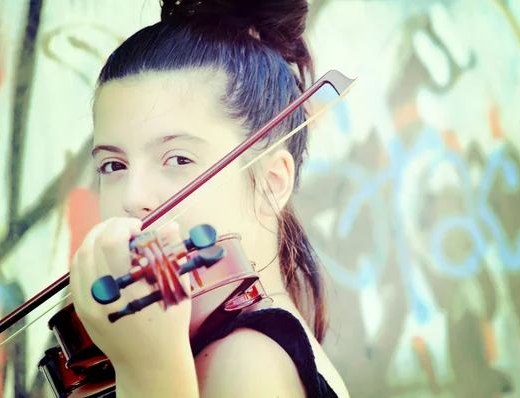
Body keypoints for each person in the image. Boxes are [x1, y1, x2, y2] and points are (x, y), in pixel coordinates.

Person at [69, 0, 350, 397]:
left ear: (272, 182)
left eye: (178, 158)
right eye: (113, 166)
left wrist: (150, 371)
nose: (132, 197)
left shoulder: (245, 362)